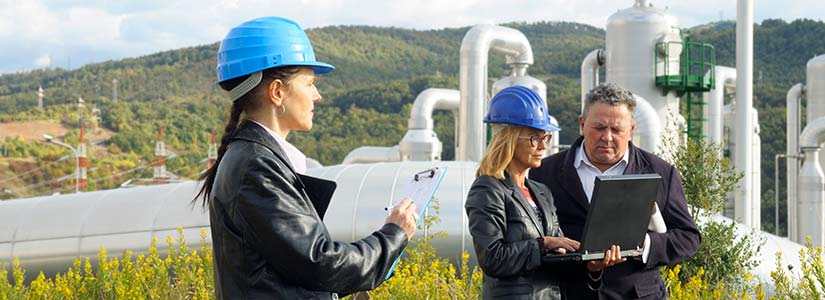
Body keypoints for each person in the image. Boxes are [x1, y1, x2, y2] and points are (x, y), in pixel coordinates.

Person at [194, 16, 418, 300]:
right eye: (310, 83)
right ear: (277, 92)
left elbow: (299, 268)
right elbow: (320, 264)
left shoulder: (254, 159)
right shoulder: (256, 168)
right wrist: (393, 235)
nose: (317, 95)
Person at [530, 82, 701, 299]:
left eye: (616, 129)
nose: (607, 137)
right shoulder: (544, 173)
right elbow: (534, 239)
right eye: (599, 127)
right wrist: (579, 259)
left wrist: (644, 246)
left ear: (631, 130)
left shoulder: (661, 172)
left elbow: (688, 238)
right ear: (582, 124)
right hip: (571, 293)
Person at [465, 86, 623, 300]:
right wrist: (543, 244)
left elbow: (559, 258)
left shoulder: (541, 192)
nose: (542, 146)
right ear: (509, 139)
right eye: (534, 138)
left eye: (545, 138)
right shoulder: (488, 189)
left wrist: (592, 266)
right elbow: (493, 258)